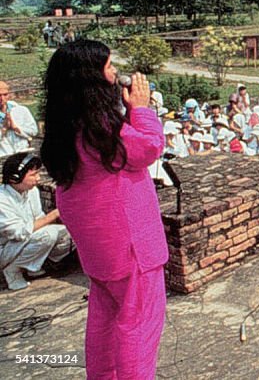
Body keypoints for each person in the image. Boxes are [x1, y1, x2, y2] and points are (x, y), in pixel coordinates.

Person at [40, 40, 167, 378]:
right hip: (130, 246)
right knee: (138, 326)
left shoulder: (66, 128)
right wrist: (142, 110)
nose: (115, 74)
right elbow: (149, 147)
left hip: (98, 248)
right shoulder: (101, 131)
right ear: (92, 79)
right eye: (109, 68)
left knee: (105, 323)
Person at [0, 152, 74, 290]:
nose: (38, 178)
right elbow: (19, 233)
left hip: (23, 242)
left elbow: (38, 218)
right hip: (6, 248)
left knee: (73, 232)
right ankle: (13, 270)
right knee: (48, 235)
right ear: (15, 178)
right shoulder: (2, 199)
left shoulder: (31, 191)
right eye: (33, 175)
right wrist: (52, 216)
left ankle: (36, 265)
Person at [0, 81, 39, 157]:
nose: (2, 98)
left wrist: (15, 127)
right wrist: (4, 129)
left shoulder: (21, 110)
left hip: (22, 153)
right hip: (3, 155)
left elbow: (33, 131)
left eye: (5, 94)